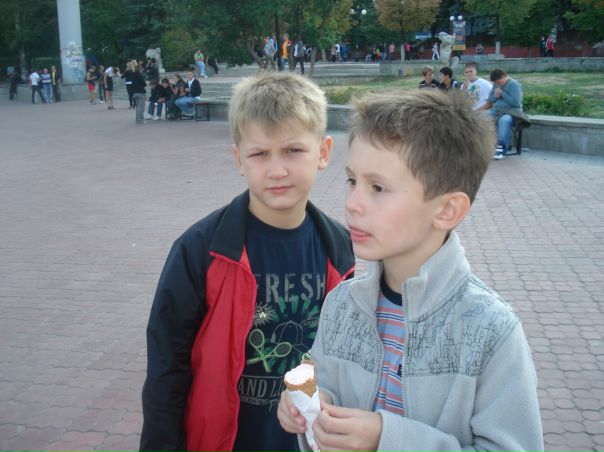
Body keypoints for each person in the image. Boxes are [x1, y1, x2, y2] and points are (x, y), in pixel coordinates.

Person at [277, 89, 544, 452]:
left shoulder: (489, 331)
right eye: (352, 181)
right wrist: (310, 404)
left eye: (378, 187)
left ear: (447, 210)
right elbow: (321, 379)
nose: (353, 203)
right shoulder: (341, 304)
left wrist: (386, 439)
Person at [139, 72, 355, 452]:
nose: (277, 170)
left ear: (323, 152)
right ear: (239, 159)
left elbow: (344, 359)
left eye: (293, 150)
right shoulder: (200, 251)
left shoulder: (339, 248)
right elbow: (166, 369)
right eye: (259, 154)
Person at [481, 68, 529, 160]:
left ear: (504, 77)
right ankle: (485, 146)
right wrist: (496, 96)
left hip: (512, 112)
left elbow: (516, 103)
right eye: (495, 82)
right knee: (482, 118)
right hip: (497, 110)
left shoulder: (514, 84)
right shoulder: (496, 84)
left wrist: (502, 93)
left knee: (504, 120)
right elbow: (491, 100)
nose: (497, 84)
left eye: (498, 82)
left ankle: (500, 149)